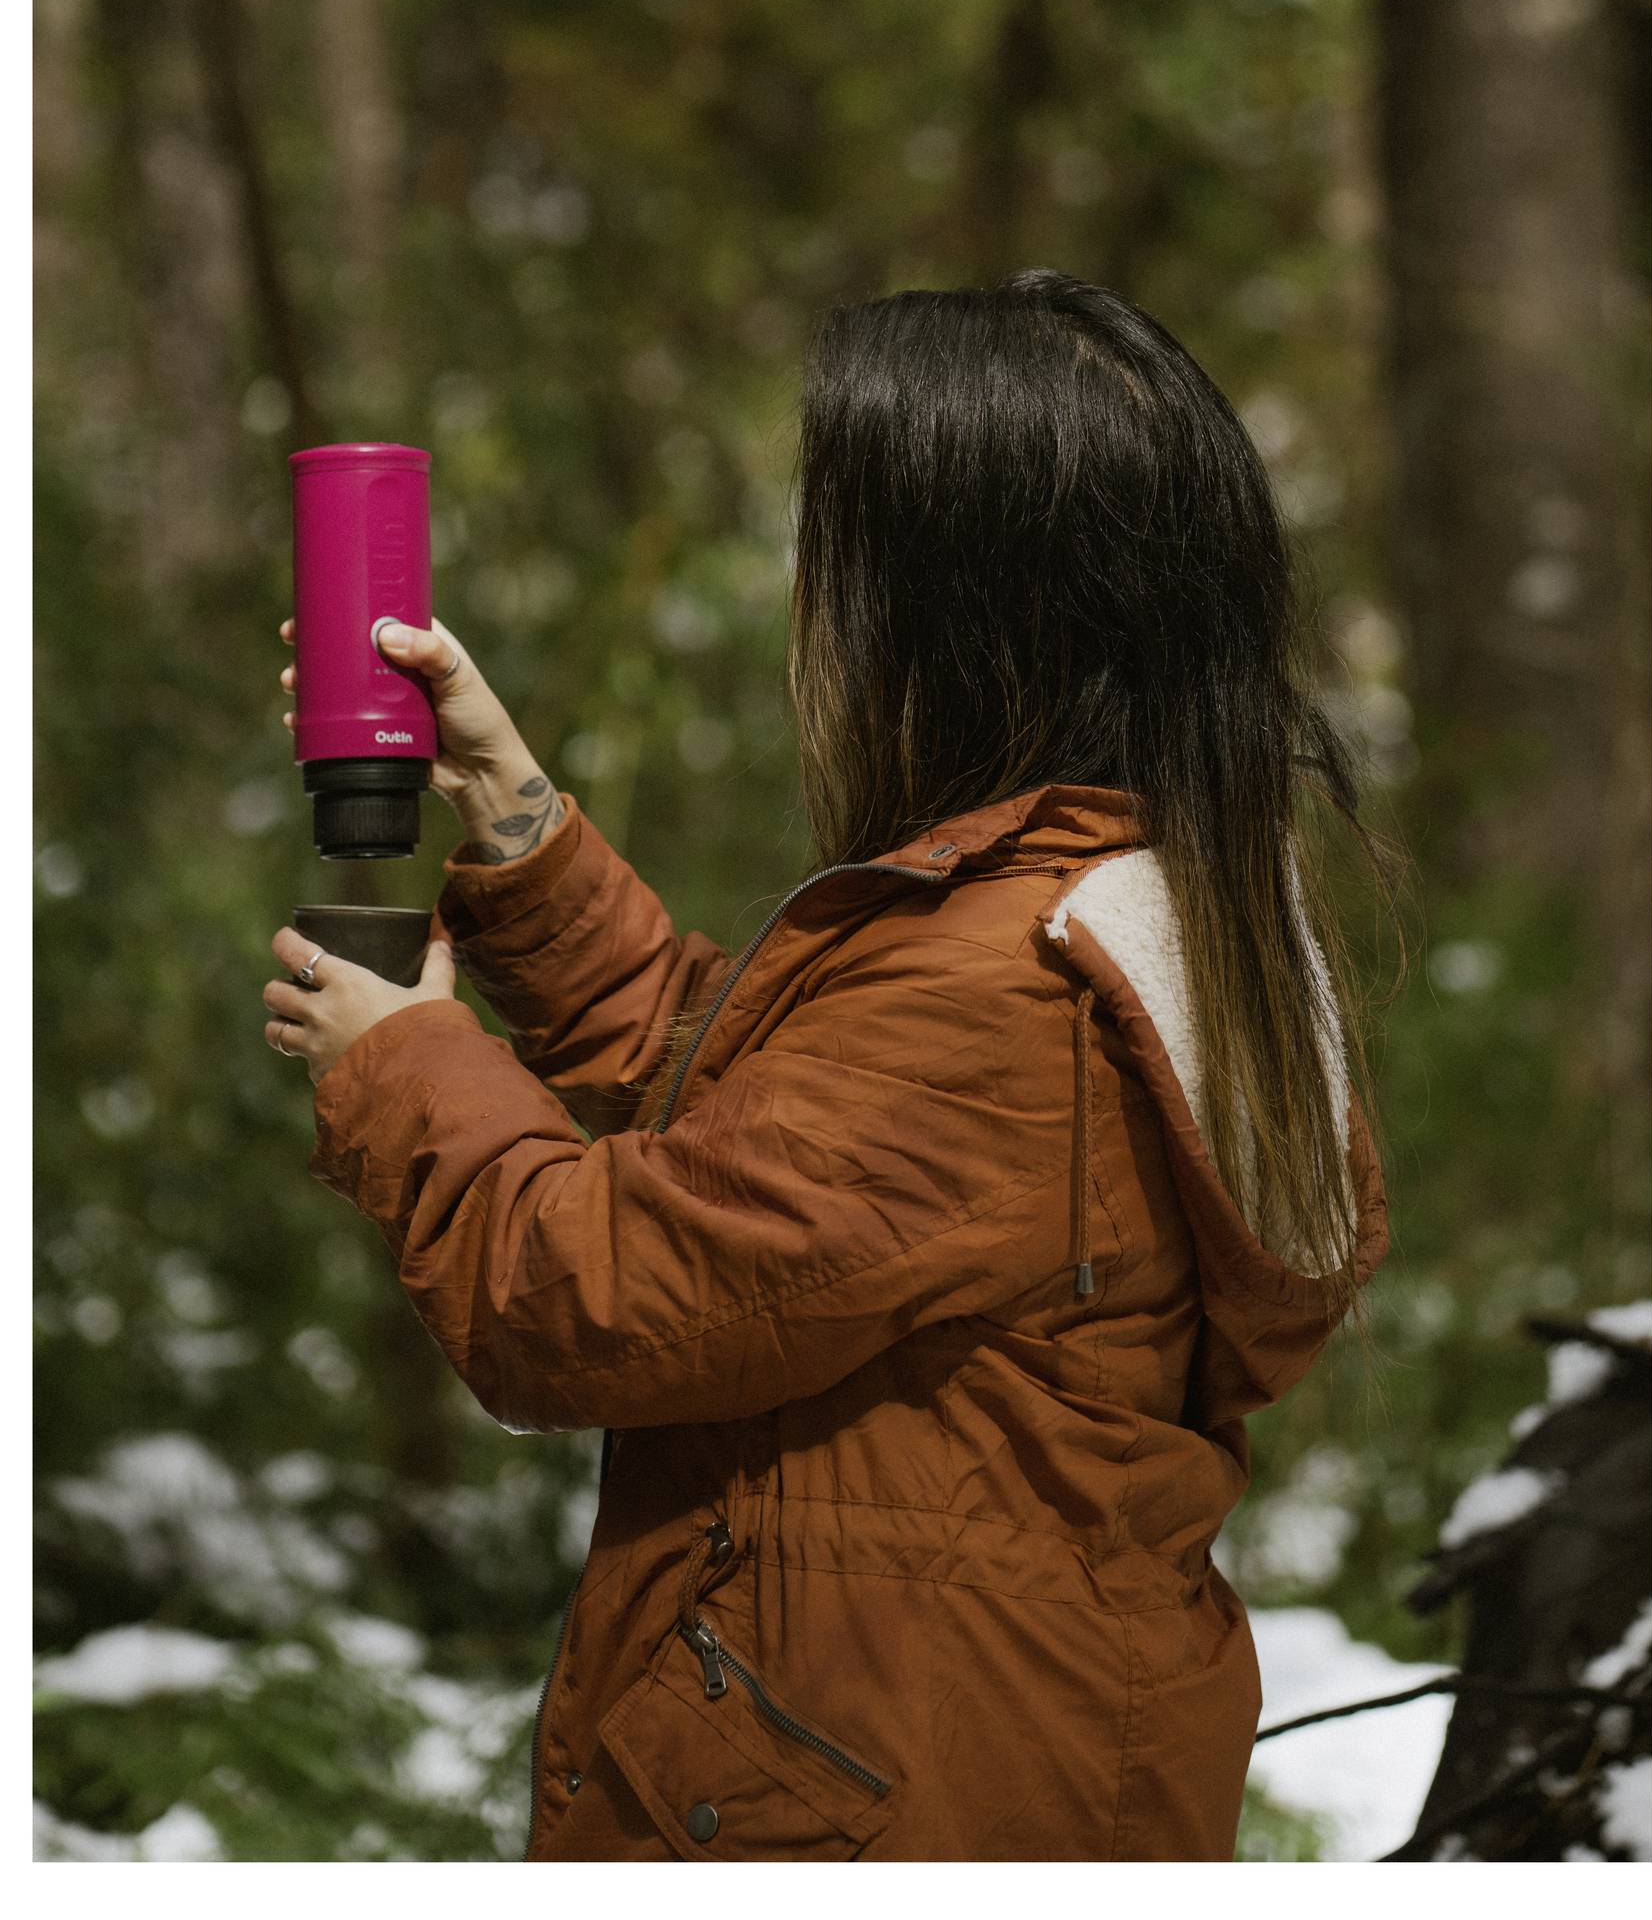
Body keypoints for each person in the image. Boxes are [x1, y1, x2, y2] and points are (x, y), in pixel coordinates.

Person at [260, 269, 1389, 1862]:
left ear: (961, 609)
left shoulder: (1004, 996)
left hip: (885, 1813)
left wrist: (407, 1063)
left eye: (838, 557)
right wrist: (517, 823)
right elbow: (776, 1144)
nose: (815, 605)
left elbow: (585, 1293)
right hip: (950, 1767)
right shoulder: (1117, 905)